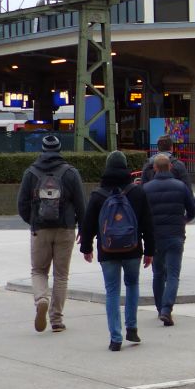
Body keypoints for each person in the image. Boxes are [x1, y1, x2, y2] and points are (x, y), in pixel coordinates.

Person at [79, 150, 155, 351]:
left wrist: (86, 247)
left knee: (112, 291)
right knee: (132, 284)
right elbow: (148, 223)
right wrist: (149, 251)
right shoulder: (137, 193)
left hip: (107, 250)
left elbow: (88, 225)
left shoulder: (98, 195)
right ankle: (132, 327)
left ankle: (115, 337)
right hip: (133, 249)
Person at [17, 133, 86, 333]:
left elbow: (22, 204)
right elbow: (82, 205)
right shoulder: (70, 172)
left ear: (42, 149)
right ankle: (56, 319)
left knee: (38, 270)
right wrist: (82, 228)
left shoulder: (31, 173)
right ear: (59, 149)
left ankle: (41, 299)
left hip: (40, 229)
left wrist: (33, 222)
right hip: (65, 228)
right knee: (61, 275)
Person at [141, 153, 195, 326]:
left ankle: (160, 309)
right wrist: (184, 220)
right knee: (173, 275)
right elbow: (193, 210)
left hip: (155, 237)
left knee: (158, 273)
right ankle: (167, 309)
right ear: (171, 167)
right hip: (175, 235)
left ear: (155, 169)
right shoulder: (180, 186)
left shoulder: (147, 189)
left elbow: (141, 215)